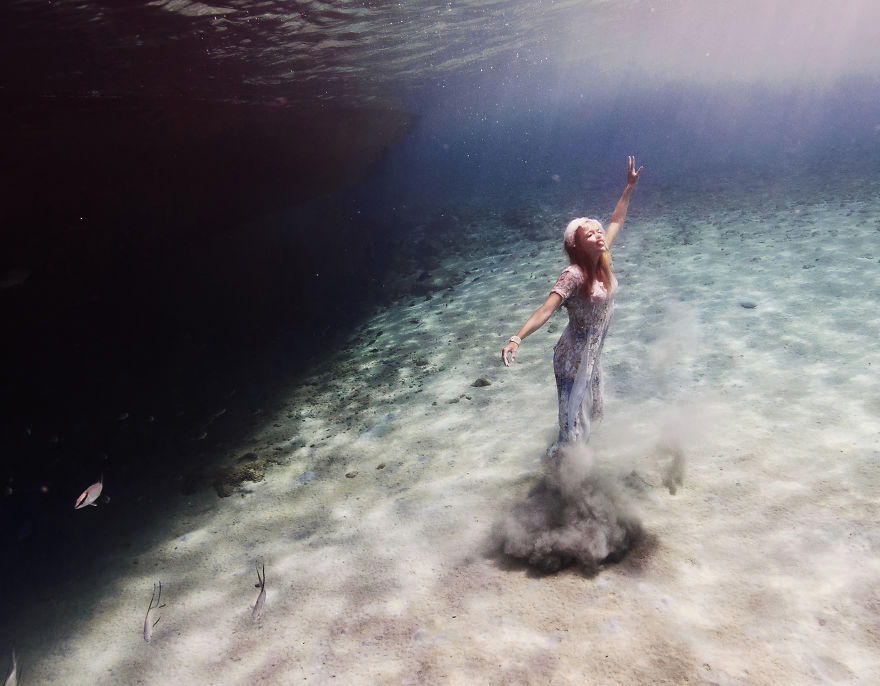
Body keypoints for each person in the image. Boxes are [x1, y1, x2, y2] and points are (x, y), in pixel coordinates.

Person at [502, 156, 643, 457]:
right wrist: (517, 338)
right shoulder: (573, 275)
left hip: (592, 353)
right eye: (590, 233)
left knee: (591, 413)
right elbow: (545, 310)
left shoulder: (602, 258)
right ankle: (564, 477)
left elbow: (616, 220)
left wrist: (628, 187)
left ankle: (574, 463)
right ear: (577, 246)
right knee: (573, 424)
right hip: (572, 356)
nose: (599, 234)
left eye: (597, 230)